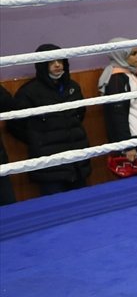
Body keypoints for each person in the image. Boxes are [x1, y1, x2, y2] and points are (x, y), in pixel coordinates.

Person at [10, 45, 91, 196]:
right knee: (57, 211)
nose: (57, 64)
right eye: (51, 61)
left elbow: (80, 114)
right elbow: (15, 125)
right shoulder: (29, 92)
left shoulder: (73, 87)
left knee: (82, 207)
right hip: (50, 167)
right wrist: (38, 139)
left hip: (77, 162)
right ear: (41, 64)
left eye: (60, 60)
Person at [98, 41, 137, 176]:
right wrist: (128, 146)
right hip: (133, 140)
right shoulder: (117, 79)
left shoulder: (129, 74)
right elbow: (117, 115)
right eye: (133, 54)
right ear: (121, 55)